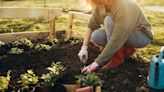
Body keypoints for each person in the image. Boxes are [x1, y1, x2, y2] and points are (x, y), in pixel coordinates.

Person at [78, 0, 154, 74]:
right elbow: (91, 25)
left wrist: (96, 63)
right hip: (122, 33)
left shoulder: (122, 5)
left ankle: (117, 59)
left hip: (140, 36)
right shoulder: (101, 5)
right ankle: (126, 50)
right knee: (96, 36)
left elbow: (116, 39)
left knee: (109, 21)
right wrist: (84, 48)